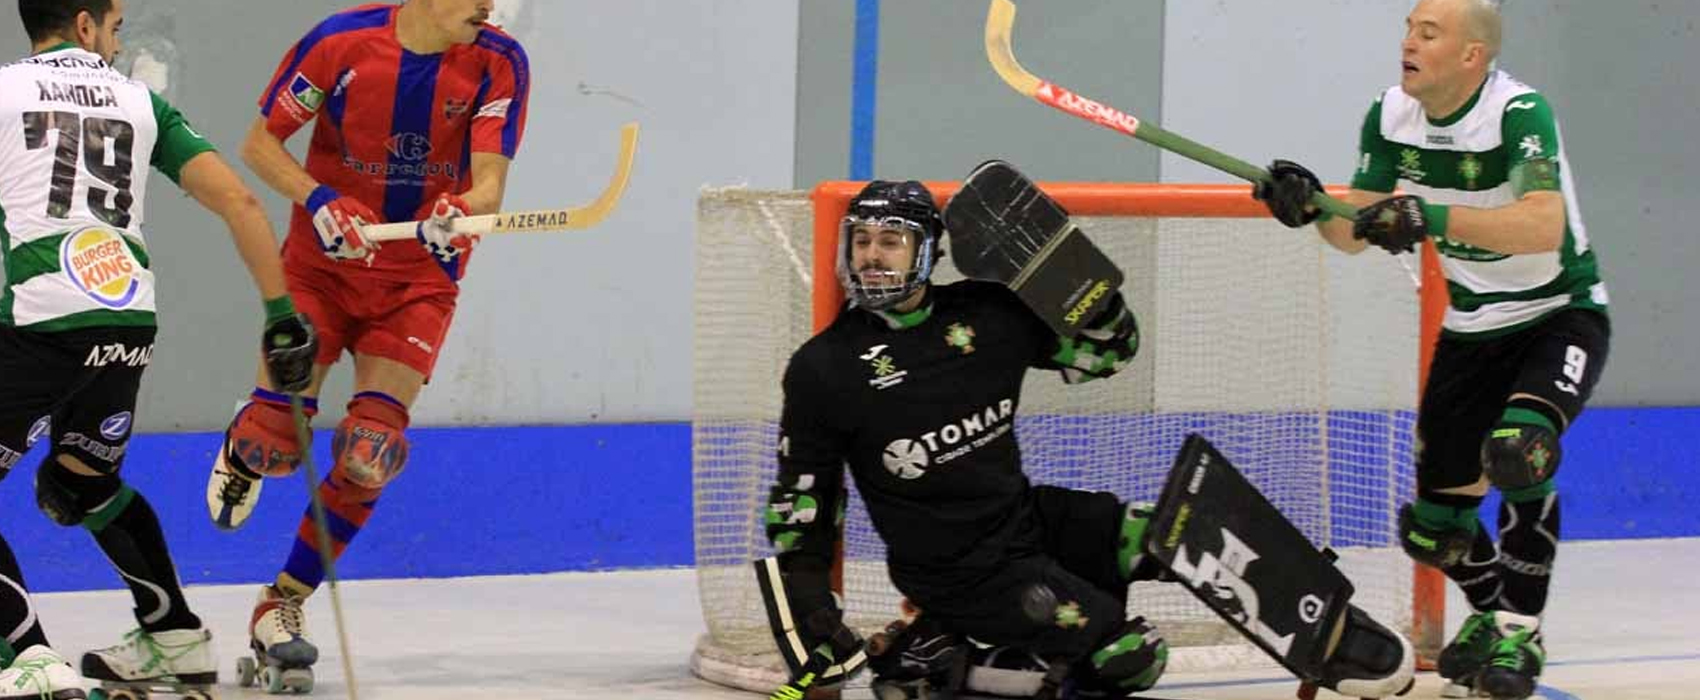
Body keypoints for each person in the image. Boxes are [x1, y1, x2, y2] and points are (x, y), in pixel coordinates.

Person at [1252, 0, 1609, 697]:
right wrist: (1310, 206)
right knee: (1430, 530)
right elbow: (1354, 231)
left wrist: (1429, 215)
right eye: (1408, 29)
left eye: (1428, 32)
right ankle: (1490, 613)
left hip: (1558, 314)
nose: (1408, 42)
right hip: (1473, 328)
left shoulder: (1517, 113)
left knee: (1519, 450)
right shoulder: (1391, 114)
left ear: (1472, 55)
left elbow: (1541, 225)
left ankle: (1518, 634)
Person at [203, 0, 529, 688]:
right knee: (272, 445)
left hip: (418, 281)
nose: (489, 4)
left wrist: (461, 209)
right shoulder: (339, 42)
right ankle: (249, 431)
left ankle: (282, 602)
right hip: (320, 271)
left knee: (371, 452)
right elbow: (260, 145)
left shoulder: (499, 61)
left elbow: (490, 185)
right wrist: (318, 198)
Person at [0, 0, 314, 697]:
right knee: (83, 481)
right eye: (116, 29)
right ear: (86, 25)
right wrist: (282, 317)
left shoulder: (4, 90)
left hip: (40, 319)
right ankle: (174, 635)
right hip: (125, 326)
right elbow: (241, 204)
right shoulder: (140, 103)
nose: (116, 46)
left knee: (75, 482)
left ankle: (27, 661)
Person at [762, 180, 1160, 699]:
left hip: (1025, 523)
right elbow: (804, 499)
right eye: (861, 240)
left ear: (927, 250)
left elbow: (1111, 353)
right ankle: (931, 667)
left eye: (890, 241)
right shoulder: (824, 367)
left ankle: (932, 647)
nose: (871, 256)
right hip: (957, 573)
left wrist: (1078, 284)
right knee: (1133, 657)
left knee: (1168, 532)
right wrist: (812, 607)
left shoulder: (988, 312)